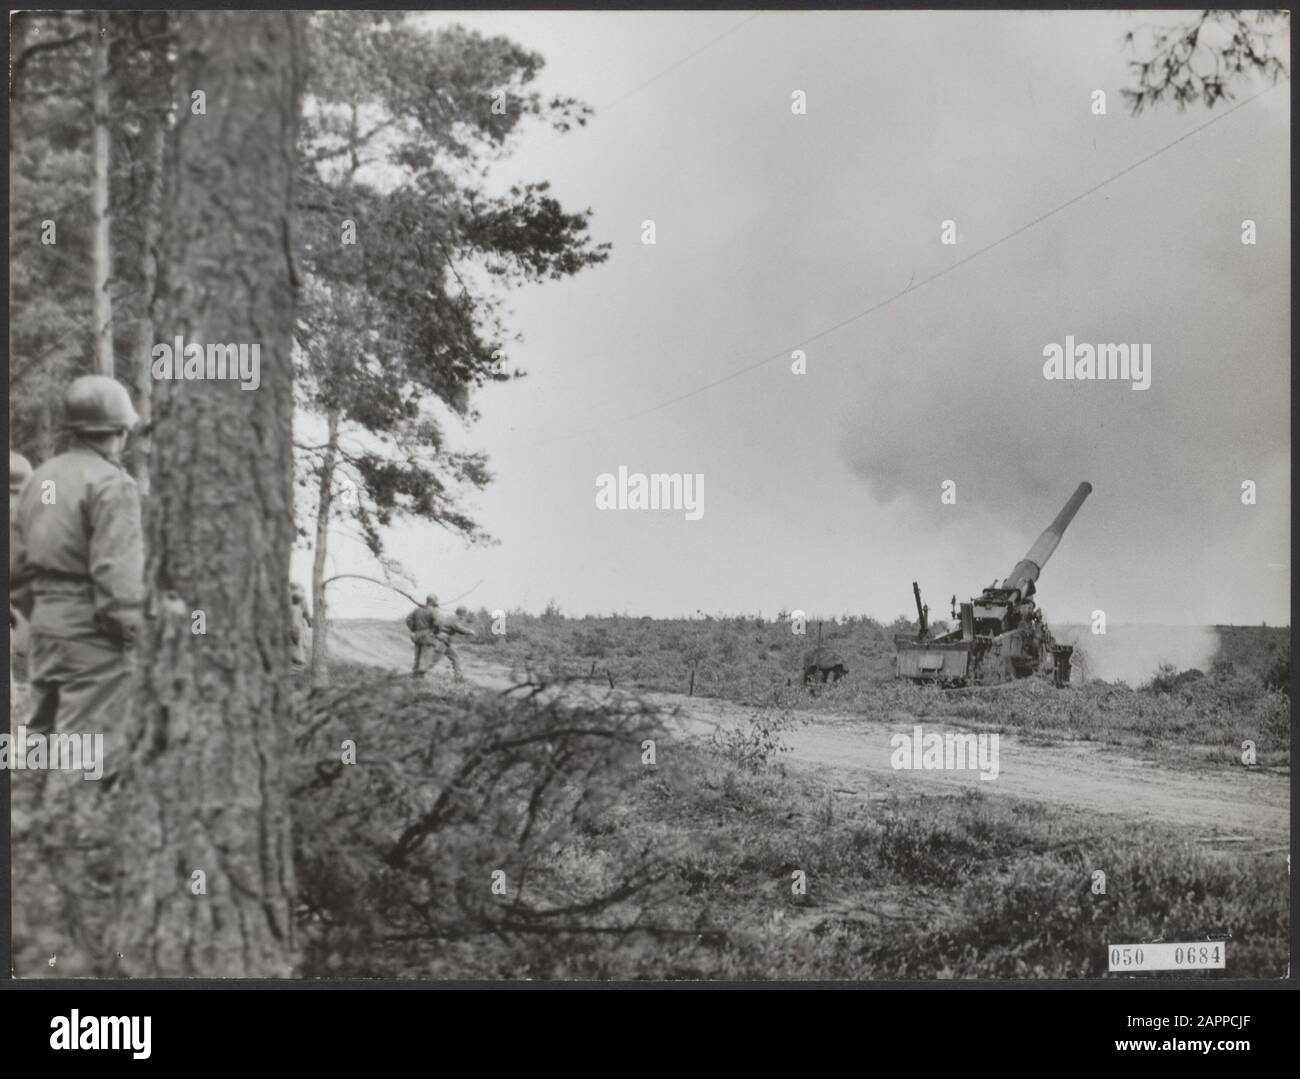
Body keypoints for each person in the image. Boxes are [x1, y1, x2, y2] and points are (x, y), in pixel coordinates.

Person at [10, 375, 144, 744]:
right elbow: (118, 582)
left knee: (40, 739)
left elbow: (16, 566)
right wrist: (133, 638)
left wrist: (43, 615)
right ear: (118, 429)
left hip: (45, 632)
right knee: (84, 751)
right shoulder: (113, 484)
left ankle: (21, 801)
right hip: (93, 639)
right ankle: (70, 801)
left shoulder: (41, 479)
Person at [405, 593, 473, 681]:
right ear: (462, 613)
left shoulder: (417, 609)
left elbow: (408, 619)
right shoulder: (449, 617)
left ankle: (458, 677)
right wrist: (435, 632)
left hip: (435, 639)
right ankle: (417, 677)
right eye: (464, 614)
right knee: (430, 660)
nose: (464, 616)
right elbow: (444, 625)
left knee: (453, 656)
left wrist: (414, 629)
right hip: (439, 640)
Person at [289, 583, 312, 672]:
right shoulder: (299, 598)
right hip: (296, 625)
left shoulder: (295, 597)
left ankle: (297, 665)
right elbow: (305, 611)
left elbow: (305, 611)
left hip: (294, 624)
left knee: (297, 644)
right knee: (298, 645)